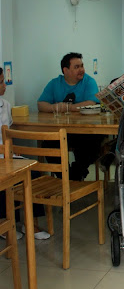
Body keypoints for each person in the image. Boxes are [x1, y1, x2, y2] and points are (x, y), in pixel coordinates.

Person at [0, 68, 50, 239]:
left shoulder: (5, 105)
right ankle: (5, 223)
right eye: (1, 82)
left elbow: (8, 134)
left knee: (32, 172)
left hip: (8, 155)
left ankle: (30, 223)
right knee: (6, 179)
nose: (4, 85)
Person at [38, 52, 103, 181]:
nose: (81, 70)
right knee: (48, 143)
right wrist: (54, 107)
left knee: (92, 144)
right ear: (65, 70)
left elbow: (91, 102)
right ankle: (65, 177)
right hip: (62, 130)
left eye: (82, 66)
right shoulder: (54, 83)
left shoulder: (89, 81)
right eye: (77, 67)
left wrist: (67, 107)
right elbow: (41, 104)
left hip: (86, 130)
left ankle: (76, 173)